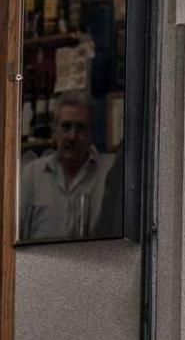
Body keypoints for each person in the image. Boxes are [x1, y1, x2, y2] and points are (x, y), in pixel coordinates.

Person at [19, 90, 115, 241]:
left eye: (81, 127)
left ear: (91, 133)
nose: (72, 136)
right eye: (66, 126)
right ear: (54, 130)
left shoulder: (108, 174)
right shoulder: (32, 174)